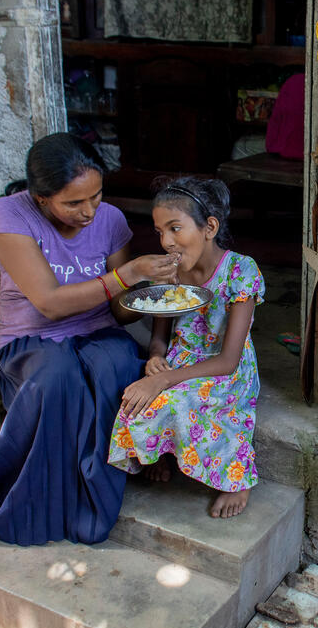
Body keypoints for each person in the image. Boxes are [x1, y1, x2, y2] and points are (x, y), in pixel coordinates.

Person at [0, 133, 179, 545]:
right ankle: (47, 500)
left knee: (122, 364)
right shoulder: (10, 214)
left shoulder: (110, 220)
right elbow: (50, 304)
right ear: (40, 197)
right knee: (59, 379)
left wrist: (154, 294)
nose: (89, 211)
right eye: (73, 203)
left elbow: (119, 311)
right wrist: (126, 275)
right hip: (31, 340)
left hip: (97, 332)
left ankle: (116, 472)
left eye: (96, 196)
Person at [108, 177, 264, 519]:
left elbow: (228, 360)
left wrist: (164, 380)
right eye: (160, 231)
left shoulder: (240, 271)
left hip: (224, 369)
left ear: (209, 227)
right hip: (180, 358)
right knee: (138, 402)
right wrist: (156, 357)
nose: (166, 242)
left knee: (176, 402)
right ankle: (165, 452)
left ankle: (237, 478)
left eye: (175, 229)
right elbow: (161, 327)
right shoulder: (171, 271)